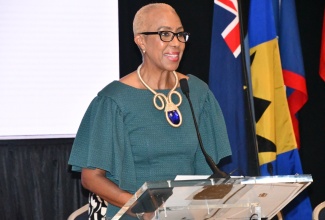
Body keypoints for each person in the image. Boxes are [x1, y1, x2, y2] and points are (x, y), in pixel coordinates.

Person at [68, 3, 231, 219]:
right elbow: (91, 177)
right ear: (141, 40)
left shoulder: (197, 92)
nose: (176, 43)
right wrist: (144, 208)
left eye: (180, 34)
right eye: (165, 34)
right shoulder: (114, 101)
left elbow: (208, 170)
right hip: (132, 212)